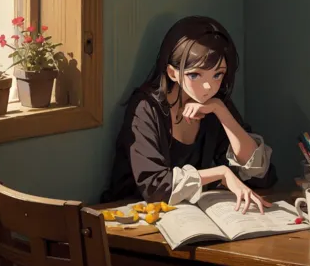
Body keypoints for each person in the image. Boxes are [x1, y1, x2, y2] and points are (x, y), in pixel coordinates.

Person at [102, 15, 277, 212]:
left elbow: (259, 176)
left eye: (217, 74)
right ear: (172, 73)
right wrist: (222, 173)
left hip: (186, 214)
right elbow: (157, 187)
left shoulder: (213, 102)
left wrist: (221, 111)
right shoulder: (146, 108)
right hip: (132, 219)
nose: (208, 86)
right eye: (195, 74)